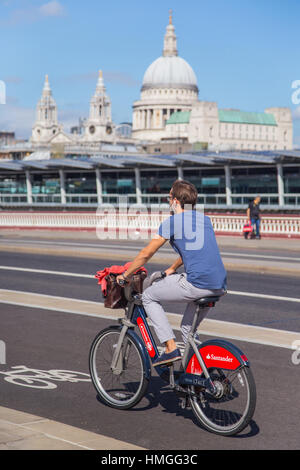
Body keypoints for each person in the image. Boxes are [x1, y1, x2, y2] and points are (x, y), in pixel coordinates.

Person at [116, 180, 227, 367]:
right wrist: (172, 268)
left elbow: (146, 253)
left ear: (175, 201)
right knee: (187, 330)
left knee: (149, 296)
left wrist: (126, 275)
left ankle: (170, 347)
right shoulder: (204, 220)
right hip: (219, 285)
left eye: (169, 198)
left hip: (197, 284)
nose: (168, 202)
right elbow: (194, 251)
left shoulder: (173, 222)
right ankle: (198, 375)